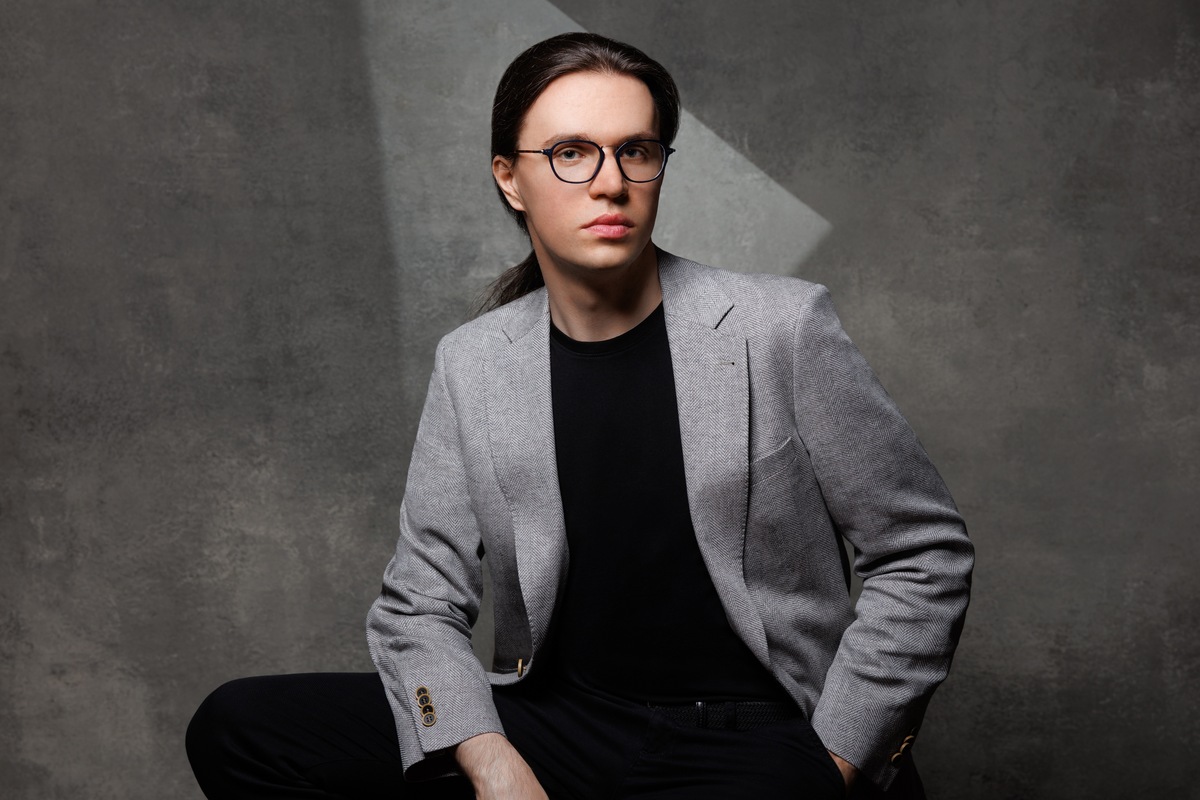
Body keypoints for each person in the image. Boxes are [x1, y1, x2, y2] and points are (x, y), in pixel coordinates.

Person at [186, 32, 973, 800]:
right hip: (562, 727)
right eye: (571, 152)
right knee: (243, 727)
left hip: (753, 737)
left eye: (636, 150)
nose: (610, 183)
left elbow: (922, 554)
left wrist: (838, 761)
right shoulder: (474, 362)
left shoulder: (779, 328)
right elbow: (418, 604)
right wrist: (489, 759)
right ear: (510, 179)